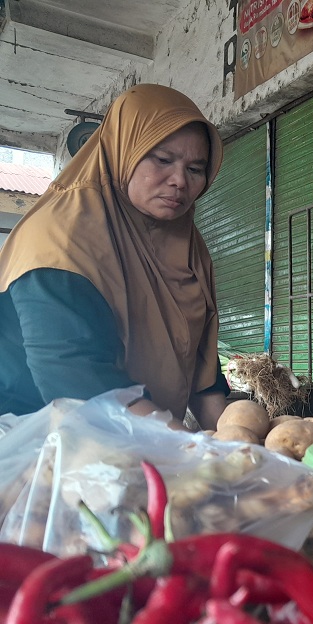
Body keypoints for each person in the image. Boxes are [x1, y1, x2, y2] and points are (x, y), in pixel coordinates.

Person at [0, 84, 230, 429]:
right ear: (124, 149)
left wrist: (243, 438)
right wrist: (185, 445)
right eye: (163, 160)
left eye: (196, 169)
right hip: (36, 443)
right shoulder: (60, 235)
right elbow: (74, 378)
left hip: (138, 439)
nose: (180, 181)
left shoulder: (188, 246)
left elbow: (202, 370)